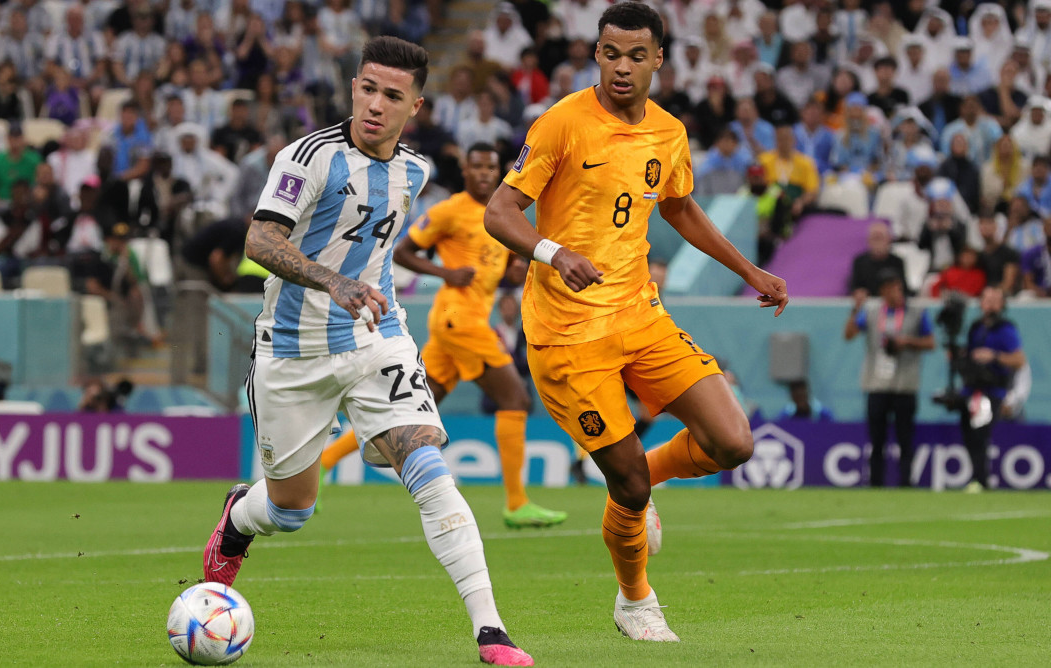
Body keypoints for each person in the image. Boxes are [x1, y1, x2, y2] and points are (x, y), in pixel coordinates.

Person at [199, 37, 533, 667]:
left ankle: (491, 631)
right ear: (354, 87)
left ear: (416, 106)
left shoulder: (416, 171)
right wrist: (332, 282)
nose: (375, 104)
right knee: (291, 510)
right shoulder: (307, 158)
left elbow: (375, 255)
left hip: (375, 337)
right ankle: (241, 514)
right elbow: (260, 239)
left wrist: (363, 293)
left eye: (392, 96)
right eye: (367, 88)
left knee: (428, 465)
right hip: (293, 351)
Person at [484, 3, 787, 643]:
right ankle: (635, 599)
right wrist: (552, 252)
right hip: (567, 338)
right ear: (596, 54)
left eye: (636, 55)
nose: (622, 67)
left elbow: (679, 207)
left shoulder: (669, 132)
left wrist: (750, 271)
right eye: (610, 53)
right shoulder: (563, 123)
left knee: (733, 443)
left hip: (640, 317)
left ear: (657, 61)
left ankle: (649, 478)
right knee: (626, 481)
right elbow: (500, 210)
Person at [317, 143, 567, 529]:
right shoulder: (450, 210)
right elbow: (403, 252)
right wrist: (445, 275)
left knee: (412, 408)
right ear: (464, 171)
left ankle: (325, 463)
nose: (485, 173)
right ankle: (516, 502)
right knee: (515, 397)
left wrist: (509, 277)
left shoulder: (502, 213)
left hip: (459, 325)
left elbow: (489, 270)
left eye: (491, 167)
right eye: (477, 166)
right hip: (459, 320)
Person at [843, 270, 934, 487]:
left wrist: (907, 342)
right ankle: (876, 484)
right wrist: (856, 308)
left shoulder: (917, 311)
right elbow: (849, 334)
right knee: (877, 440)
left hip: (905, 385)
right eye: (887, 288)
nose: (893, 292)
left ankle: (906, 483)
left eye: (896, 287)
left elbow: (930, 343)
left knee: (905, 439)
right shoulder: (873, 311)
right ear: (882, 291)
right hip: (877, 384)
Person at [959, 286, 1024, 492]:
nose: (990, 304)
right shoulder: (976, 327)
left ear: (1002, 304)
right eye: (987, 299)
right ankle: (978, 478)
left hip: (992, 390)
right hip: (971, 389)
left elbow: (1019, 360)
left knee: (980, 434)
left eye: (996, 300)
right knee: (969, 434)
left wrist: (994, 356)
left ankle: (981, 480)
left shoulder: (1006, 329)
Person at [848, 221, 906, 296]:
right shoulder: (859, 262)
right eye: (875, 238)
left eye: (880, 238)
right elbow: (854, 288)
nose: (878, 242)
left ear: (889, 240)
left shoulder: (897, 262)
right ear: (868, 240)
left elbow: (904, 290)